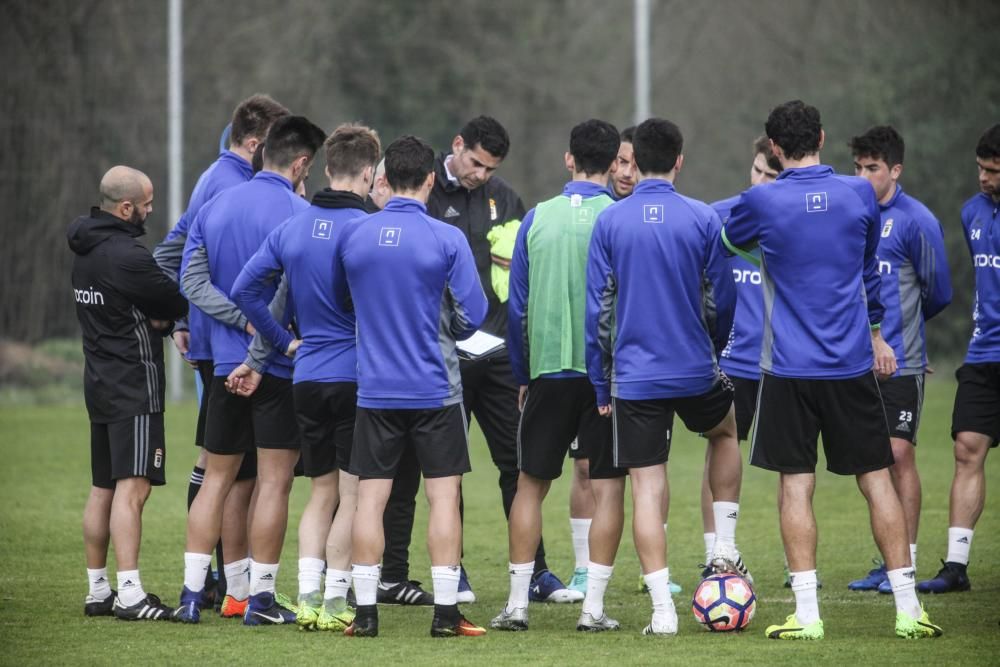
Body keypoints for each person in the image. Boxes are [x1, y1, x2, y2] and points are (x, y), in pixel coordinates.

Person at [722, 100, 942, 640]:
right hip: (850, 366)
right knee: (876, 479)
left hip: (789, 370)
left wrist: (777, 259)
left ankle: (809, 616)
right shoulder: (859, 192)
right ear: (822, 136)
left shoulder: (762, 200)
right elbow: (867, 268)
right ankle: (909, 609)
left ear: (773, 149)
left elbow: (731, 241)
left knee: (796, 485)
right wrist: (873, 329)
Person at [584, 118, 738, 636]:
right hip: (695, 368)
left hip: (634, 378)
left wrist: (601, 384)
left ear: (630, 160)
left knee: (647, 487)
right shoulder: (702, 218)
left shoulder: (610, 221)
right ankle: (723, 549)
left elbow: (598, 313)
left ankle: (662, 613)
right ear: (679, 160)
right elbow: (723, 299)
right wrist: (710, 350)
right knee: (725, 431)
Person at [173, 115, 326, 625]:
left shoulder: (214, 205)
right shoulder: (299, 212)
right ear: (301, 163)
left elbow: (191, 282)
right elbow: (292, 294)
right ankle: (260, 599)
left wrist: (234, 323)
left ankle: (197, 593)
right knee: (273, 484)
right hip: (276, 367)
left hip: (220, 364)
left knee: (219, 479)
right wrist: (266, 337)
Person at [334, 135, 488, 638]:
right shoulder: (447, 239)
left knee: (369, 501)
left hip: (375, 391)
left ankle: (365, 615)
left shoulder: (355, 236)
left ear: (383, 179)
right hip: (434, 390)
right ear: (428, 181)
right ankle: (445, 615)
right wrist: (443, 323)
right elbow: (475, 316)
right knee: (443, 499)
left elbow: (344, 300)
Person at [229, 124, 381, 632]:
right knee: (353, 495)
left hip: (306, 374)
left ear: (326, 168)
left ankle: (309, 598)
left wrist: (284, 341)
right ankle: (336, 603)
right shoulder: (368, 228)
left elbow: (245, 289)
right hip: (356, 375)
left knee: (320, 493)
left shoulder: (295, 223)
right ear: (367, 173)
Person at [153, 94, 288, 608]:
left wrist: (182, 320)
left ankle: (221, 586)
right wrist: (249, 322)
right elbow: (174, 257)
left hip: (220, 345)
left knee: (228, 470)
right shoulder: (235, 187)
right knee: (236, 473)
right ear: (256, 145)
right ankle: (227, 584)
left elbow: (179, 259)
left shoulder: (217, 180)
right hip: (245, 351)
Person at [489, 119, 620, 633]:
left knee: (529, 485)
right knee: (608, 488)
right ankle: (592, 609)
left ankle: (518, 605)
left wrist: (522, 373)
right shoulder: (618, 217)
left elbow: (516, 308)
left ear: (569, 159)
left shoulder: (535, 220)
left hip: (546, 371)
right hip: (604, 375)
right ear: (614, 164)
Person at [69, 166, 188, 620]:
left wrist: (150, 314)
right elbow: (173, 302)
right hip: (135, 389)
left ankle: (99, 590)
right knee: (132, 490)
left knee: (102, 488)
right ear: (125, 207)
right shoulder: (127, 256)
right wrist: (157, 320)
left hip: (98, 385)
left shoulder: (85, 250)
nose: (151, 210)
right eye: (147, 202)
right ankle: (132, 594)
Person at [842, 126, 952, 593]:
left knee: (899, 454)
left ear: (896, 170)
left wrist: (904, 333)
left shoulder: (916, 219)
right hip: (854, 362)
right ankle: (885, 562)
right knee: (872, 462)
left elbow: (938, 291)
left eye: (873, 168)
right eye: (858, 168)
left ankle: (905, 562)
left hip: (902, 362)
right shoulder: (848, 212)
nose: (864, 176)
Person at [917, 123, 1000, 594]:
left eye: (993, 171)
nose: (984, 178)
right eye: (980, 169)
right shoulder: (972, 213)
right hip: (985, 350)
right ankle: (956, 566)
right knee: (967, 446)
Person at [704, 136, 781, 577]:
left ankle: (797, 564)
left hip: (784, 361)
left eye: (771, 175)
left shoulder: (794, 218)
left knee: (795, 465)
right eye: (756, 170)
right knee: (720, 451)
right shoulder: (718, 216)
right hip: (732, 362)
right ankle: (715, 555)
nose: (760, 182)